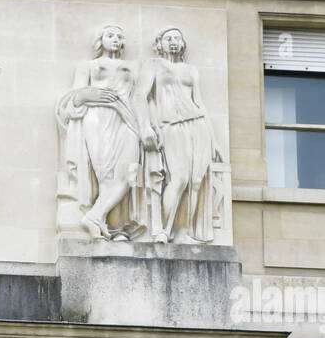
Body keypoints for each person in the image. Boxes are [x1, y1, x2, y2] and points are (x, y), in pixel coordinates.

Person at [56, 22, 159, 241]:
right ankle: (110, 225)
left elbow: (140, 98)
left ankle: (94, 217)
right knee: (105, 173)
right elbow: (75, 95)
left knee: (130, 172)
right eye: (110, 35)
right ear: (100, 39)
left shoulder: (133, 67)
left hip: (127, 118)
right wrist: (88, 95)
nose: (115, 39)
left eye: (119, 36)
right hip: (97, 117)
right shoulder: (88, 65)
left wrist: (146, 126)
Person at [142, 27, 218, 244]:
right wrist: (145, 126)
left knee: (195, 182)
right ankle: (164, 230)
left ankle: (184, 232)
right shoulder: (153, 66)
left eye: (177, 38)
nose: (173, 42)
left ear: (183, 44)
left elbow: (200, 103)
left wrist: (214, 139)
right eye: (168, 38)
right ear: (160, 44)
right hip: (171, 126)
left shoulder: (192, 70)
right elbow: (141, 96)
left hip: (197, 125)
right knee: (180, 178)